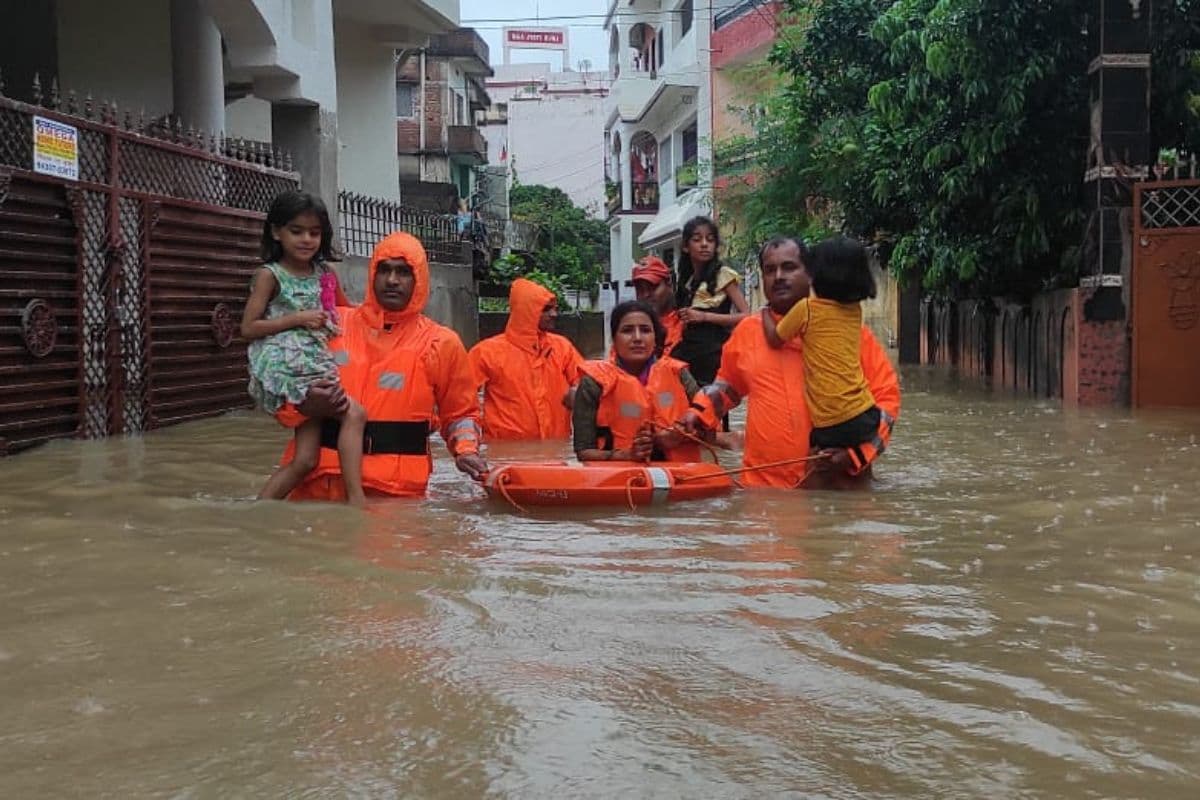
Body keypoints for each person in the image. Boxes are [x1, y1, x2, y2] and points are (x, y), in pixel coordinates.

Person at [274, 231, 489, 501]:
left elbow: (461, 413)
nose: (392, 280)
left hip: (393, 495)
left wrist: (466, 450)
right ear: (372, 274)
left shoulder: (441, 343)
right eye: (384, 270)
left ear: (419, 279)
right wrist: (301, 405)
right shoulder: (331, 325)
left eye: (403, 272)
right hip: (313, 485)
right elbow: (278, 388)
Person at [681, 236, 900, 489]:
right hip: (763, 492)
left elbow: (887, 403)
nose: (778, 277)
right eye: (769, 270)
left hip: (835, 489)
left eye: (789, 267)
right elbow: (727, 388)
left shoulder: (851, 333)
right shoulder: (748, 332)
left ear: (810, 274)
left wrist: (856, 456)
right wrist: (698, 413)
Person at [241, 191, 368, 505]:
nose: (306, 239)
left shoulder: (326, 274)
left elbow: (346, 312)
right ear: (276, 232)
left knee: (306, 460)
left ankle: (258, 510)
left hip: (315, 362)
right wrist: (296, 318)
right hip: (286, 365)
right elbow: (248, 328)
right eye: (296, 231)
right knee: (355, 413)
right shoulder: (270, 275)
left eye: (314, 233)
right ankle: (357, 501)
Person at [764, 236, 881, 452]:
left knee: (814, 473)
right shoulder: (855, 312)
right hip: (866, 414)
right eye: (770, 269)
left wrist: (764, 312)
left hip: (832, 422)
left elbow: (774, 339)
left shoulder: (807, 309)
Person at [573, 301, 703, 462]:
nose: (637, 338)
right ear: (614, 338)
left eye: (645, 330)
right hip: (617, 478)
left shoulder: (679, 373)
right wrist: (627, 455)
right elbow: (583, 452)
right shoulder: (592, 382)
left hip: (679, 477)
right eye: (627, 331)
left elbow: (708, 426)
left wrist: (681, 434)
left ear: (655, 337)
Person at [468, 277, 584, 440]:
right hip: (505, 453)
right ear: (527, 311)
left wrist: (578, 391)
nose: (554, 314)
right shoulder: (486, 352)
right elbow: (460, 399)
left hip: (555, 451)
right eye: (546, 309)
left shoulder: (562, 347)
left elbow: (587, 380)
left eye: (555, 308)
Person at [671, 216, 750, 386]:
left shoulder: (724, 274)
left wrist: (704, 317)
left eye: (710, 239)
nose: (705, 244)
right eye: (697, 239)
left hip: (713, 354)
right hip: (688, 353)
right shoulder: (687, 279)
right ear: (686, 246)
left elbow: (746, 316)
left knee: (711, 406)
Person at [631, 255, 682, 357]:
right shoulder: (630, 327)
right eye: (640, 289)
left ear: (669, 284)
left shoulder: (686, 323)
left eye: (652, 287)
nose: (646, 294)